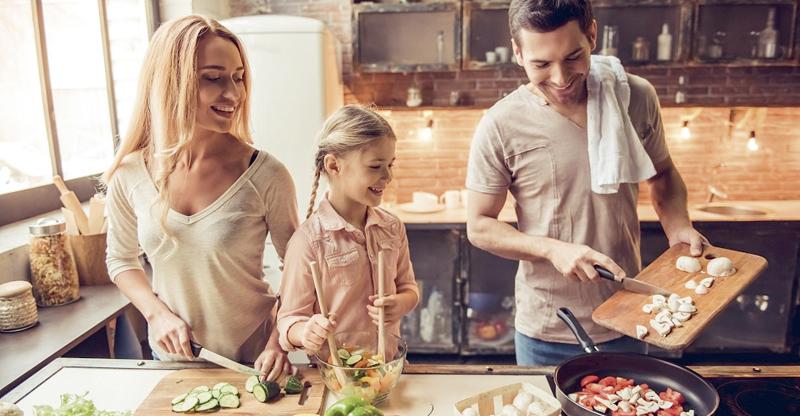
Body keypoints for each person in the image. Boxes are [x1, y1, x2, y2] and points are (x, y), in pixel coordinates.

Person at [466, 0, 706, 365]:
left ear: (592, 34)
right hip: (546, 326)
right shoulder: (500, 124)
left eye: (573, 56)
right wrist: (554, 250)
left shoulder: (635, 96)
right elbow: (480, 226)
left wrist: (679, 226)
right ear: (518, 52)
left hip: (629, 315)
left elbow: (664, 174)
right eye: (541, 64)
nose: (561, 78)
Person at [104, 15, 298, 380]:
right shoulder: (129, 173)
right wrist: (157, 314)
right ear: (171, 83)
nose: (234, 94)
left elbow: (299, 270)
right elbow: (121, 260)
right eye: (213, 79)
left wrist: (278, 342)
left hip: (256, 360)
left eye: (238, 78)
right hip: (173, 360)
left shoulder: (266, 174)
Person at [277, 105, 419, 357]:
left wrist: (401, 303)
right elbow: (289, 321)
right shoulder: (307, 242)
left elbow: (409, 288)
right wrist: (305, 331)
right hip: (336, 378)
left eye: (390, 164)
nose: (388, 176)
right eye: (375, 166)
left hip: (386, 369)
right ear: (334, 166)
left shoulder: (392, 228)